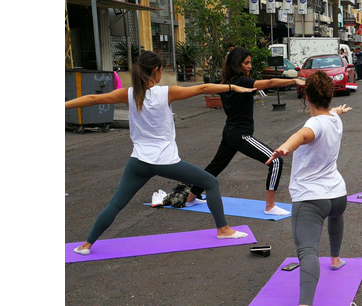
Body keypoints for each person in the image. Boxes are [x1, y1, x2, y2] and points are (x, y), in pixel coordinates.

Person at [67, 51, 253, 255]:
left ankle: (87, 244)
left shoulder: (129, 93)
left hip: (138, 161)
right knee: (211, 183)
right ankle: (223, 230)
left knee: (116, 203)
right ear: (156, 70)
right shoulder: (166, 93)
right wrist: (232, 86)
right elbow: (202, 88)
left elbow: (93, 99)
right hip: (165, 161)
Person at [266, 71, 353, 306]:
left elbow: (302, 135)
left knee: (307, 252)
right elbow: (331, 114)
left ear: (306, 96)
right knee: (336, 217)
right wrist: (339, 110)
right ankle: (335, 259)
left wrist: (286, 147)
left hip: (312, 199)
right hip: (338, 195)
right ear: (329, 95)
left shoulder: (314, 124)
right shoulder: (334, 119)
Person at [186, 47, 301, 215]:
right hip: (240, 135)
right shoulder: (242, 83)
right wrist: (294, 81)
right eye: (246, 63)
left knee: (215, 166)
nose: (249, 66)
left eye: (250, 63)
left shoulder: (226, 84)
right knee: (276, 161)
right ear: (236, 64)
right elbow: (269, 83)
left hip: (230, 132)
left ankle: (190, 198)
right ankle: (270, 207)